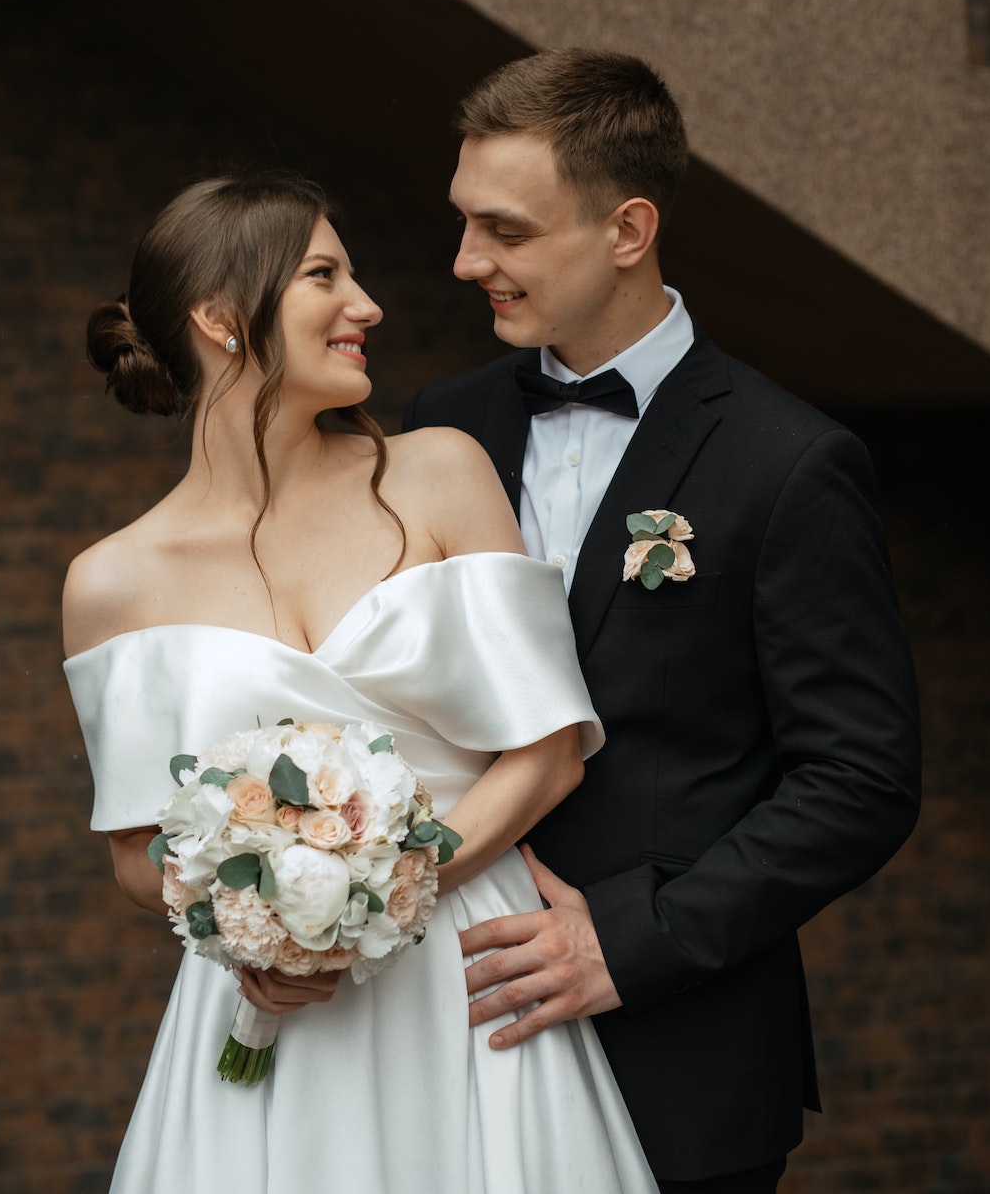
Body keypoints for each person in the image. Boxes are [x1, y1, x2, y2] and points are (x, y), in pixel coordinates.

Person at [60, 172, 657, 1192]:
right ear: (218, 317)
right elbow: (132, 853)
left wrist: (369, 899)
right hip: (275, 1005)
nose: (366, 304)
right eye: (324, 275)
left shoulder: (437, 473)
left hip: (470, 975)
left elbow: (550, 751)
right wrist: (263, 934)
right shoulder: (111, 580)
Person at [402, 49, 922, 1194]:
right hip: (440, 1030)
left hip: (674, 1059)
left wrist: (631, 940)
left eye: (505, 231)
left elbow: (860, 779)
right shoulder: (441, 426)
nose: (464, 262)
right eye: (463, 224)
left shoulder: (789, 464)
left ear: (627, 229)